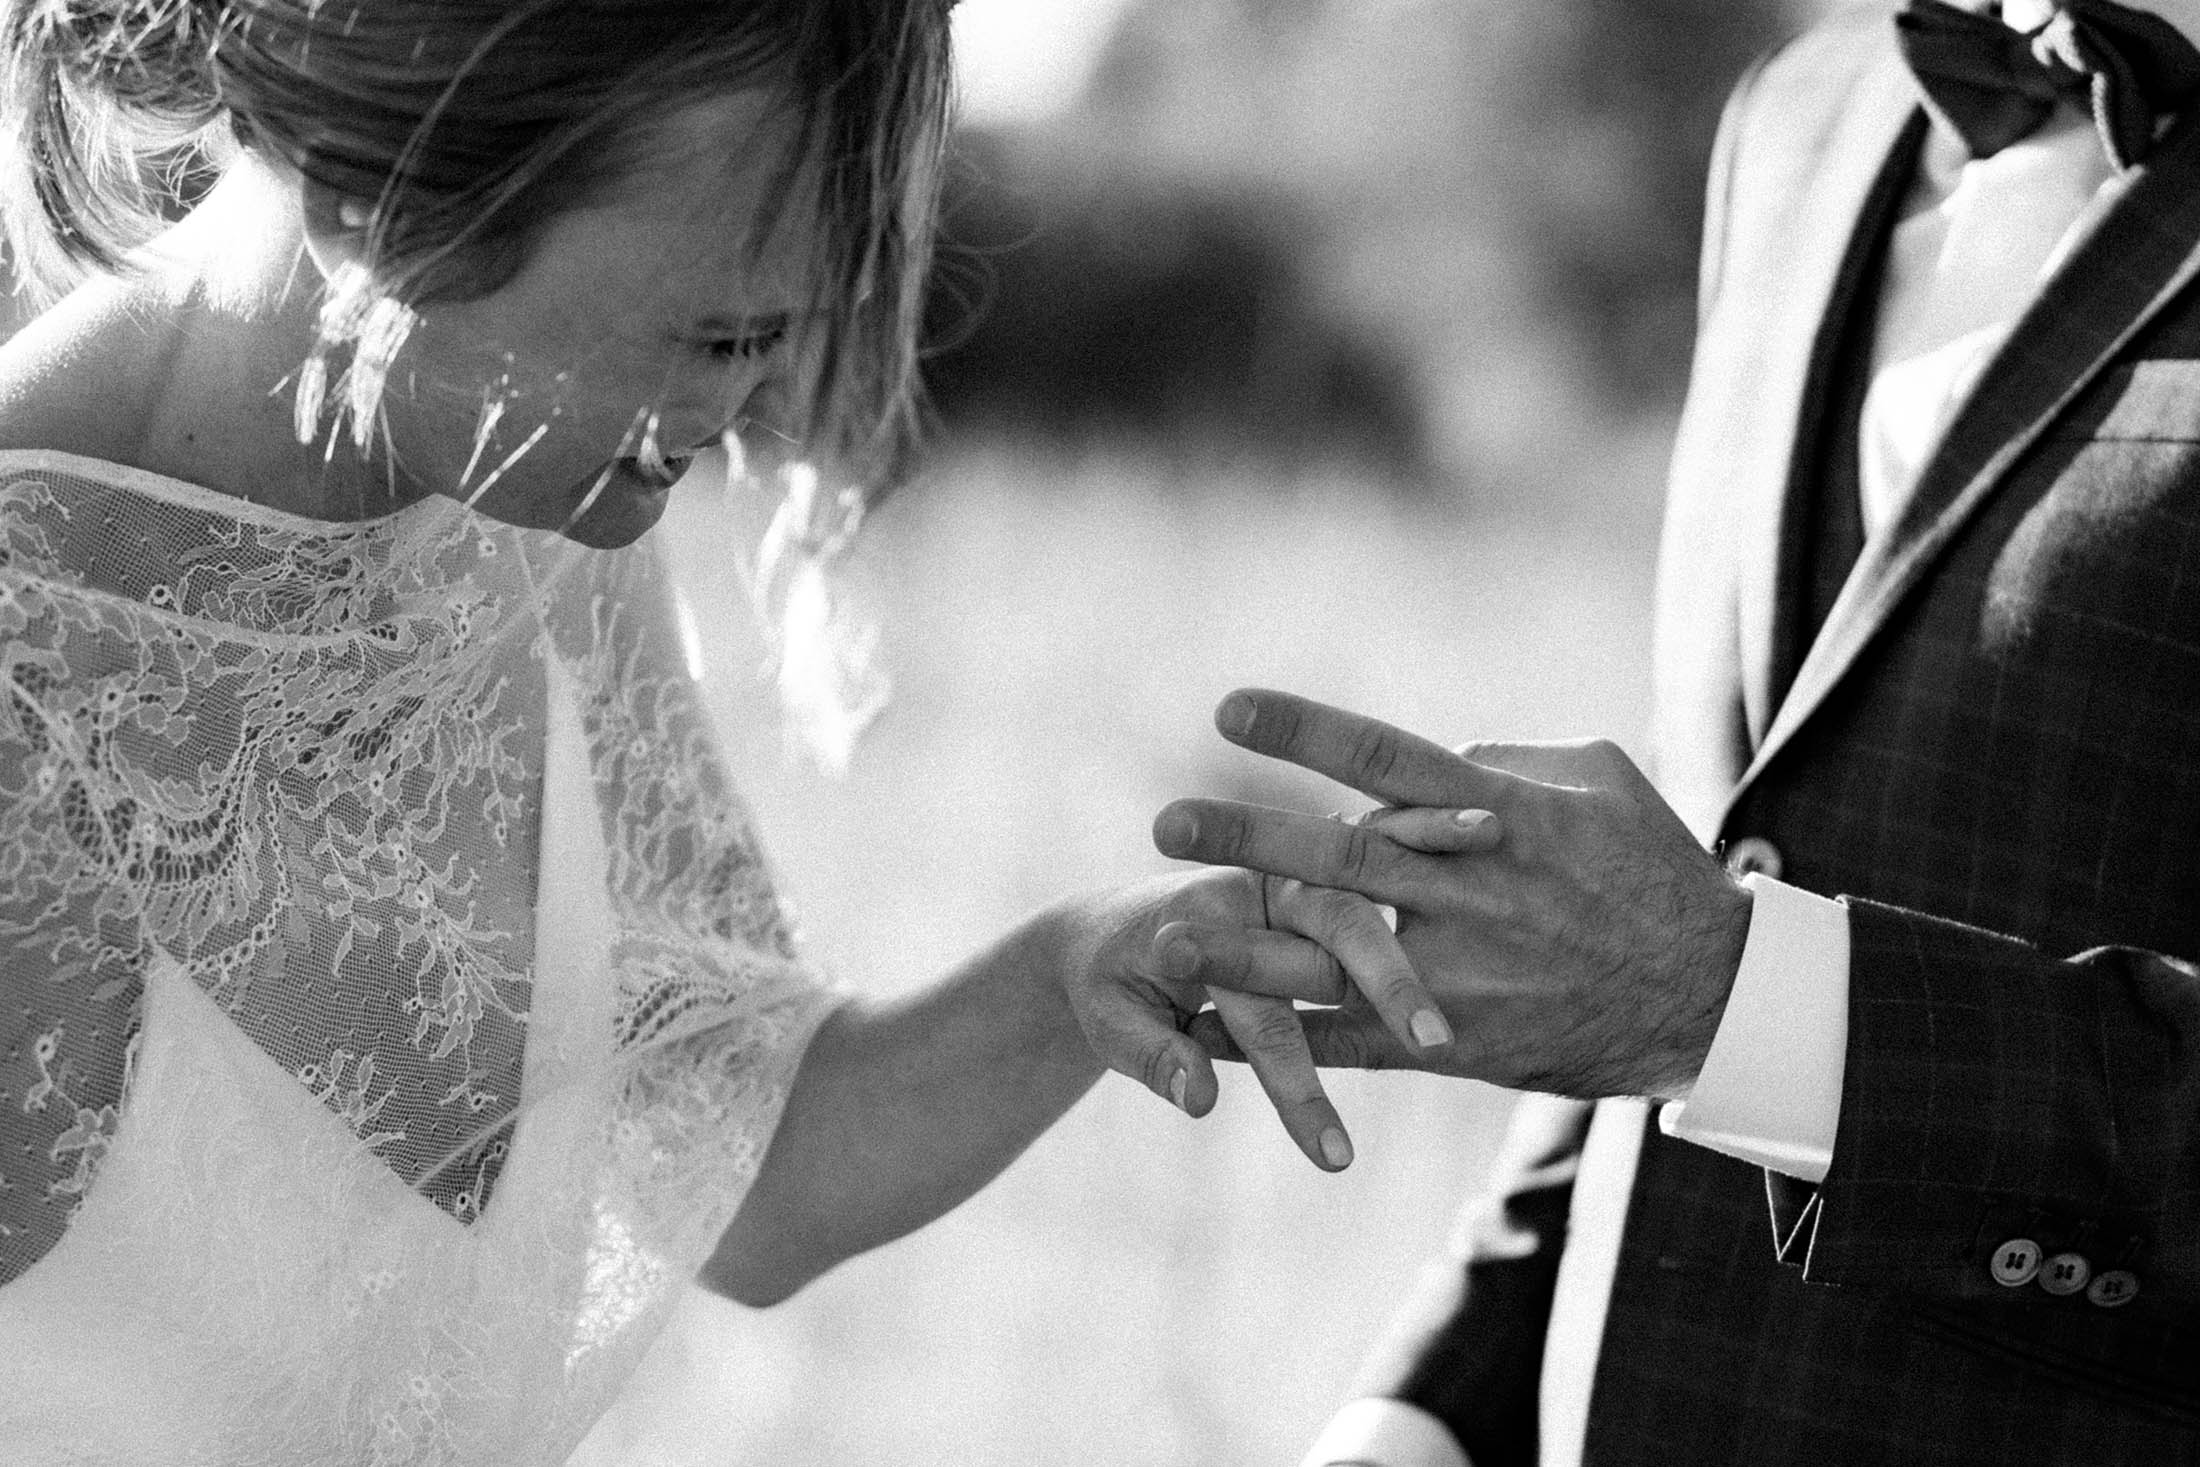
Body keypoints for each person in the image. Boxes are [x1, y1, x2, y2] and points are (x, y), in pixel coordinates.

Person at [0, 2, 1438, 1459]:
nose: (755, 404)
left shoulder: (528, 516)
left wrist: (1084, 968)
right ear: (397, 179)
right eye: (728, 333)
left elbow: (747, 1166)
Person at [1146, 0, 2200, 1462]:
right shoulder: (1801, 116)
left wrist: (1728, 997)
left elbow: (1710, 978)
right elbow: (1724, 875)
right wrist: (1424, 1415)